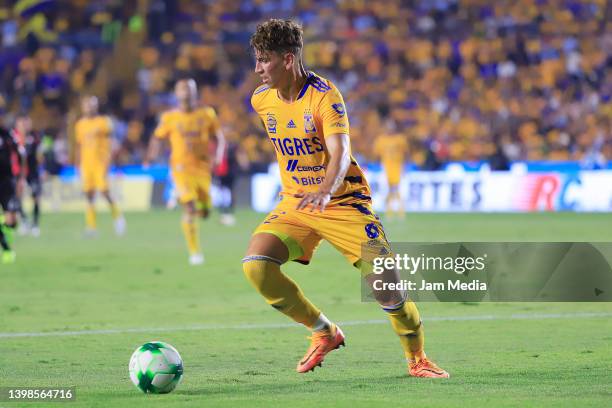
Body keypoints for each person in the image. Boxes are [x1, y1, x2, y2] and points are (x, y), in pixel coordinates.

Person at [242, 19, 449, 378]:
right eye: (257, 59)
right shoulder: (261, 100)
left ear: (288, 60)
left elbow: (340, 153)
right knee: (256, 265)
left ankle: (417, 358)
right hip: (296, 203)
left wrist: (325, 188)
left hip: (342, 202)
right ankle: (323, 332)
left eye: (264, 60)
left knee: (388, 288)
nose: (257, 69)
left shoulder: (325, 97)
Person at [145, 78, 225, 265]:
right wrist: (151, 156)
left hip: (203, 169)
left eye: (189, 89)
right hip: (180, 169)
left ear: (195, 92)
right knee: (189, 207)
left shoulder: (206, 114)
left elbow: (219, 137)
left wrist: (219, 156)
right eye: (182, 90)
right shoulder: (169, 118)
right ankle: (195, 252)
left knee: (205, 211)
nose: (186, 93)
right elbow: (157, 138)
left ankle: (187, 203)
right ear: (176, 94)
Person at [74, 95, 126, 237]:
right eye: (86, 105)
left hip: (101, 163)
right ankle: (91, 227)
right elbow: (79, 146)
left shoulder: (104, 122)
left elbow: (112, 142)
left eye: (92, 104)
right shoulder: (80, 125)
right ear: (83, 107)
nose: (89, 107)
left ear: (96, 106)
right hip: (86, 163)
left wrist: (112, 159)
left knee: (104, 192)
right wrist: (77, 164)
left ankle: (118, 218)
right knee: (89, 195)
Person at [12, 115, 43, 236]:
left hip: (32, 172)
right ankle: (24, 221)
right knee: (17, 197)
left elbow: (39, 154)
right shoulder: (13, 138)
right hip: (18, 173)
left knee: (36, 196)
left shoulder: (34, 137)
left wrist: (42, 169)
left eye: (26, 123)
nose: (24, 126)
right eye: (22, 124)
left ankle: (35, 224)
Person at [374, 119, 408, 218]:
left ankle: (401, 211)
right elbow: (377, 155)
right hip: (386, 167)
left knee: (399, 190)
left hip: (398, 167)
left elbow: (405, 153)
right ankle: (389, 211)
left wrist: (405, 166)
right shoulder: (381, 139)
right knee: (387, 190)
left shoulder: (400, 139)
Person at [0, 125, 25, 263]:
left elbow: (20, 152)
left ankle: (3, 223)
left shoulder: (7, 133)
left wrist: (20, 177)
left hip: (6, 182)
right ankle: (6, 249)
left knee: (12, 221)